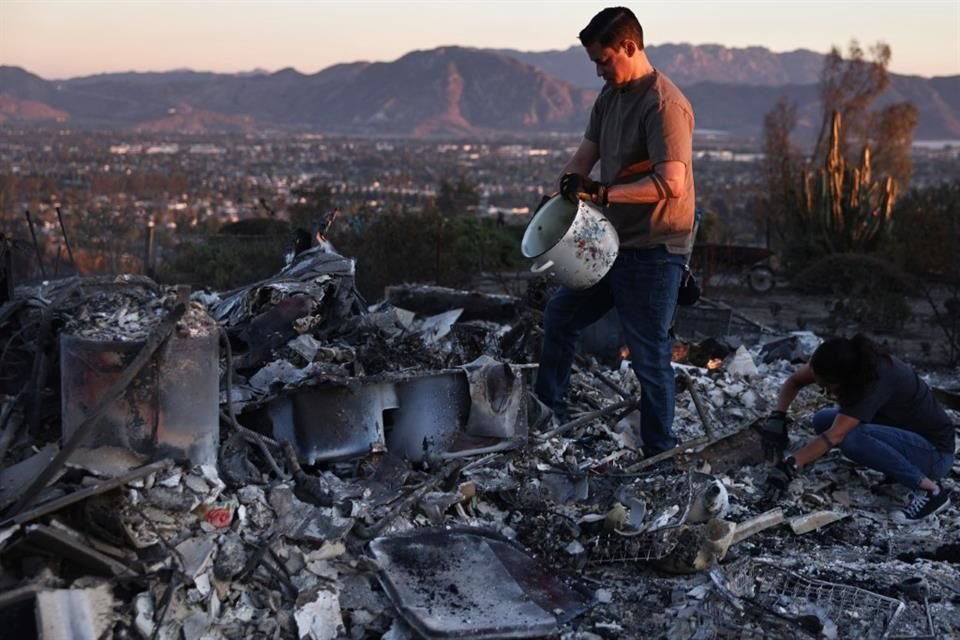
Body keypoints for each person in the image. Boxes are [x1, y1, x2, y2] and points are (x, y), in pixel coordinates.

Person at [534, 6, 696, 457]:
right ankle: (550, 417)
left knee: (648, 355)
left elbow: (671, 183)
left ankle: (660, 453)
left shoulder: (664, 104)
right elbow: (584, 158)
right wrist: (560, 197)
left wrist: (602, 194)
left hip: (655, 248)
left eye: (604, 60)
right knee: (560, 318)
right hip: (609, 243)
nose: (599, 70)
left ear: (629, 47)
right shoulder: (609, 98)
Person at [763, 334, 957, 521]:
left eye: (827, 387)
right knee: (822, 420)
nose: (825, 392)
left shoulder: (872, 379)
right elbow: (795, 381)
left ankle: (932, 491)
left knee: (851, 438)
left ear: (841, 379)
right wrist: (778, 416)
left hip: (935, 453)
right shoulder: (847, 360)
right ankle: (894, 466)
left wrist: (790, 465)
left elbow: (836, 436)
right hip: (902, 432)